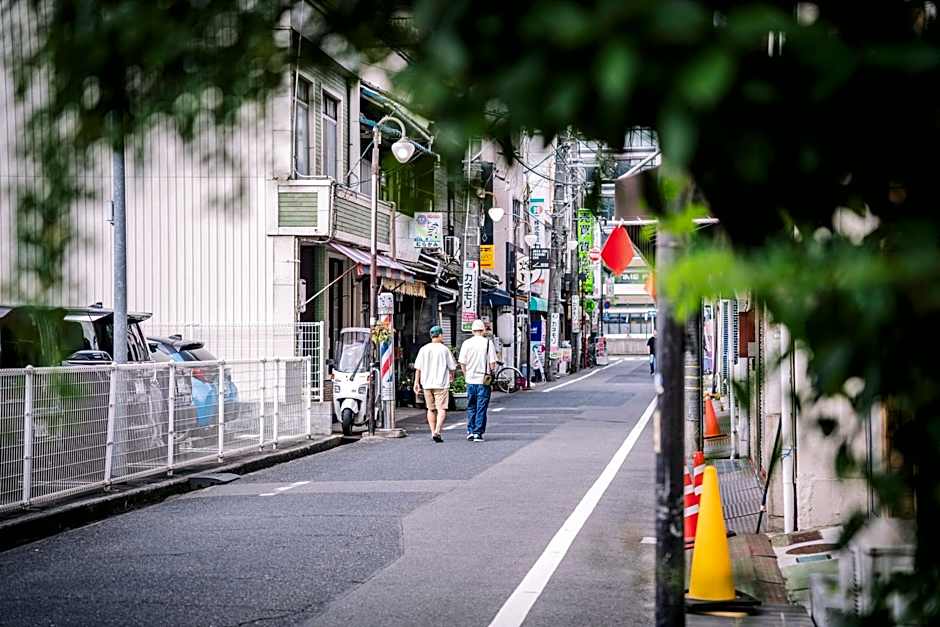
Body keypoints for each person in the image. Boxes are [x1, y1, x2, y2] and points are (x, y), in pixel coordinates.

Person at [413, 325, 457, 442]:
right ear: (440, 335)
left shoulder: (423, 349)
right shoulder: (444, 349)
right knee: (441, 409)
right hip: (441, 384)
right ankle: (437, 431)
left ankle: (432, 432)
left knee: (430, 409)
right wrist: (451, 376)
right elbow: (452, 367)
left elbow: (418, 368)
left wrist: (416, 383)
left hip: (427, 384)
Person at [458, 319, 498, 442]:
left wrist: (466, 375)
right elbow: (492, 363)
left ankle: (470, 431)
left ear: (472, 330)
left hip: (470, 379)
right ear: (483, 330)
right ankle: (478, 433)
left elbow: (462, 362)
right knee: (481, 407)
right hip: (483, 380)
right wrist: (492, 373)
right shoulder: (487, 343)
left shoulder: (466, 343)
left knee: (471, 406)